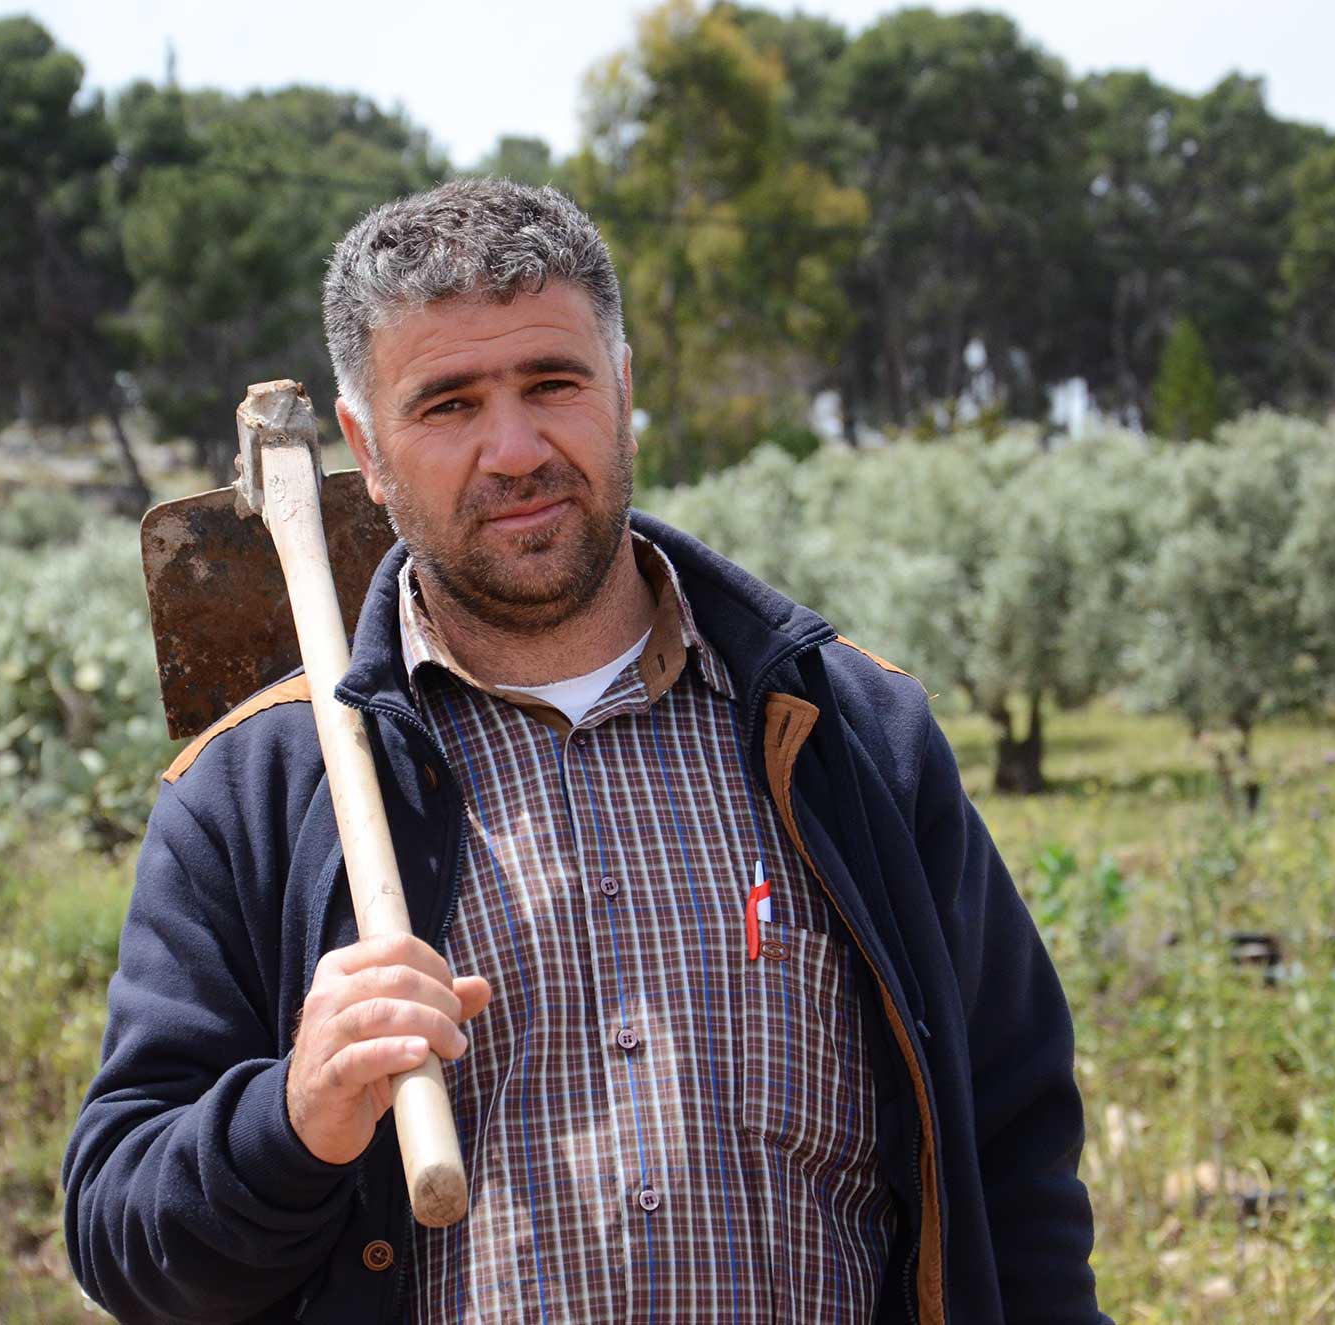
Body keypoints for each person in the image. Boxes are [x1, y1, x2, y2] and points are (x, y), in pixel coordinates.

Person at [62, 179, 1104, 1325]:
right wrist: (294, 1118)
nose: (514, 449)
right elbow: (122, 1236)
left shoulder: (851, 736)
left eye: (551, 383)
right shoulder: (256, 793)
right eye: (447, 404)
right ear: (366, 446)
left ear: (622, 391)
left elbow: (1014, 1164)